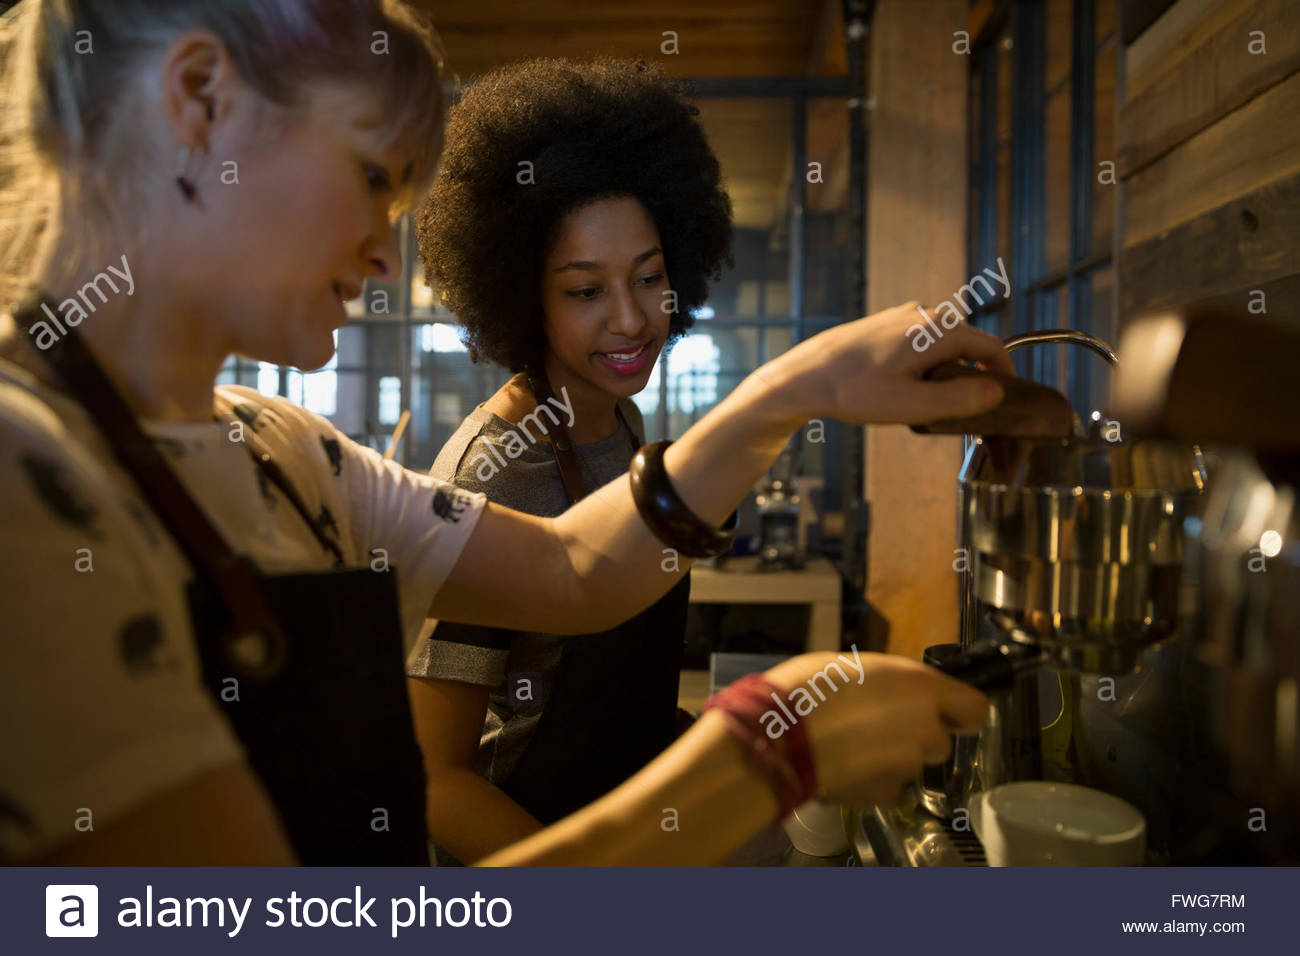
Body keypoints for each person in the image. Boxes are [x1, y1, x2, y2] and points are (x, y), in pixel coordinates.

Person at [0, 0, 1007, 867]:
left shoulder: (281, 451)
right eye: (369, 175)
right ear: (200, 99)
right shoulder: (21, 471)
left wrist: (805, 382)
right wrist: (764, 754)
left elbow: (575, 568)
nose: (385, 254)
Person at [406, 57, 732, 864]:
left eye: (650, 279)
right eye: (585, 291)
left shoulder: (621, 420)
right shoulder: (495, 470)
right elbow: (438, 778)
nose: (632, 320)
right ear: (523, 295)